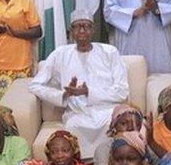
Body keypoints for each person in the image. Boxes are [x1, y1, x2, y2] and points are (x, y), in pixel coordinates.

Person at [30, 11, 129, 154]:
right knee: (73, 126)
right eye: (77, 27)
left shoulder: (110, 52)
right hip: (77, 114)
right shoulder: (60, 54)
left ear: (93, 30)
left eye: (86, 26)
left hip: (107, 112)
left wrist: (88, 92)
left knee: (113, 125)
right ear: (71, 32)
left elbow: (122, 91)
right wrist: (64, 94)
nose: (82, 30)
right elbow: (35, 85)